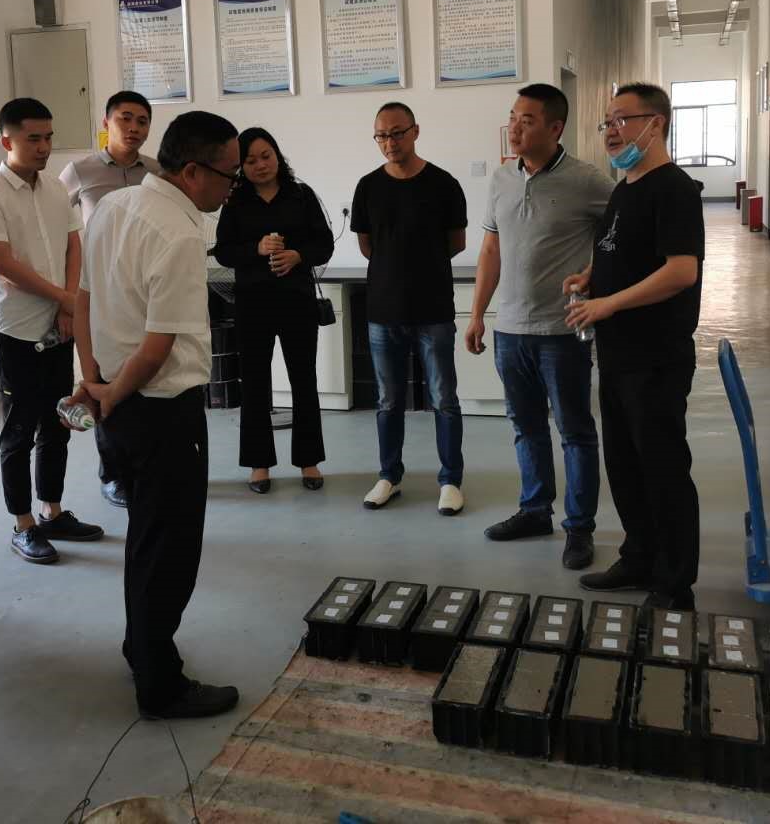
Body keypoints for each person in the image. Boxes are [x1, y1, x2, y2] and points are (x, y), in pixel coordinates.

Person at [63, 110, 242, 719]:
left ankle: (139, 645)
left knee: (144, 538)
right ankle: (160, 685)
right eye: (228, 175)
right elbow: (159, 344)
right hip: (162, 410)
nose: (232, 187)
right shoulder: (180, 234)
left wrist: (93, 381)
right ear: (192, 171)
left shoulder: (114, 206)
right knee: (169, 549)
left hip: (118, 401)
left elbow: (84, 299)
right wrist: (111, 392)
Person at [565, 83, 705, 612]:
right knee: (625, 466)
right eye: (607, 121)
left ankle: (674, 584)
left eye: (622, 119)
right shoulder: (625, 187)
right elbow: (617, 249)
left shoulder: (674, 189)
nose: (611, 131)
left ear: (656, 123)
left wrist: (609, 304)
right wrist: (589, 276)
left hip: (655, 356)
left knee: (662, 468)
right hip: (618, 355)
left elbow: (681, 271)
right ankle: (639, 557)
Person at [465, 84, 616, 569]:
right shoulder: (501, 179)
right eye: (513, 117)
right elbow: (491, 249)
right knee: (525, 427)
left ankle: (580, 528)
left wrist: (594, 277)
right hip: (510, 331)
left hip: (562, 332)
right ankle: (534, 511)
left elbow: (623, 235)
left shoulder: (587, 181)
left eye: (526, 120)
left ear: (555, 128)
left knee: (574, 432)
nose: (514, 127)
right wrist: (477, 314)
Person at [0, 97, 103, 566]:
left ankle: (52, 512)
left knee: (57, 424)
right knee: (19, 431)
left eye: (48, 137)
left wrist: (68, 305)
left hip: (57, 325)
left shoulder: (54, 188)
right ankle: (23, 524)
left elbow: (73, 247)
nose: (44, 147)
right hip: (15, 331)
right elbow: (3, 266)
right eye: (33, 139)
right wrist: (65, 299)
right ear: (7, 141)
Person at [351, 102, 468, 515]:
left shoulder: (443, 184)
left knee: (444, 398)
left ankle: (450, 480)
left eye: (397, 133)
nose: (390, 142)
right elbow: (367, 245)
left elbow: (456, 242)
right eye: (381, 135)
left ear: (415, 131)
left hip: (433, 309)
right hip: (383, 311)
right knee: (388, 400)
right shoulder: (368, 187)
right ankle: (389, 475)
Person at [212, 127, 334, 494]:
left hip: (297, 302)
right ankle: (259, 465)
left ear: (278, 156)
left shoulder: (301, 195)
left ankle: (309, 461)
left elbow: (324, 244)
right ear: (241, 167)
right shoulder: (235, 202)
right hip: (253, 304)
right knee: (254, 384)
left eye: (266, 156)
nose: (260, 165)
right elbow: (223, 251)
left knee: (304, 380)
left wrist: (298, 255)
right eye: (250, 160)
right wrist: (257, 248)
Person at [59, 89, 162, 509]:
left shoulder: (155, 172)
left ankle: (149, 464)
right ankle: (113, 472)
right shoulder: (79, 171)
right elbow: (58, 225)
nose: (134, 128)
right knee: (101, 377)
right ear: (107, 123)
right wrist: (65, 293)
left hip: (144, 292)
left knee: (145, 376)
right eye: (125, 118)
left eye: (142, 121)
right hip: (98, 292)